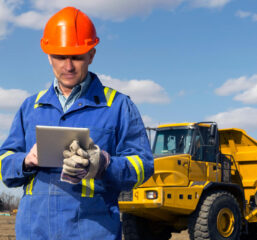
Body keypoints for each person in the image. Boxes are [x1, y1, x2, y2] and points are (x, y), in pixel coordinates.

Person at [0, 6, 153, 240]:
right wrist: (26, 160)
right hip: (35, 232)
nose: (68, 66)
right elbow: (4, 164)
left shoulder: (118, 106)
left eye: (77, 57)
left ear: (91, 55)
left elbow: (143, 166)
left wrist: (103, 164)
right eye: (61, 57)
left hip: (93, 233)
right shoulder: (31, 107)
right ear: (49, 56)